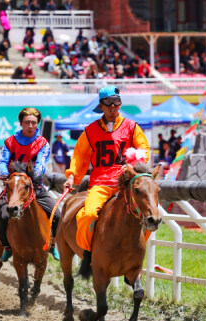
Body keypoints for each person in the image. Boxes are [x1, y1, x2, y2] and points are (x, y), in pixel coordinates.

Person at [62, 86, 149, 273]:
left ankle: (136, 255)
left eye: (116, 102)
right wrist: (72, 176)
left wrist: (135, 166)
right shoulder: (90, 130)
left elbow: (143, 151)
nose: (113, 107)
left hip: (125, 183)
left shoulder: (132, 127)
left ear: (120, 104)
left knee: (149, 214)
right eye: (108, 103)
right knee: (88, 215)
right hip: (100, 183)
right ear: (101, 106)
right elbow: (79, 156)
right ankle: (88, 254)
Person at [0, 107, 60, 261]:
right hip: (14, 187)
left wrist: (32, 176)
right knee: (1, 215)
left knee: (57, 215)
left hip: (35, 186)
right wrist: (4, 174)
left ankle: (53, 244)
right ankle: (7, 246)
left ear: (37, 124)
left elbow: (41, 164)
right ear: (21, 123)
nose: (30, 126)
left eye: (34, 123)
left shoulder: (43, 143)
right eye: (27, 122)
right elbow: (2, 161)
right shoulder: (10, 141)